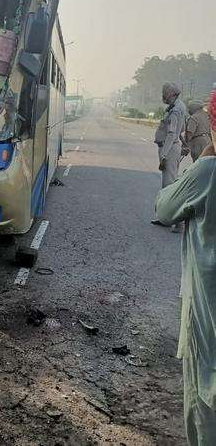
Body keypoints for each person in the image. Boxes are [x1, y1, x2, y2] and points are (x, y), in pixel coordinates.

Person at [155, 91, 216, 446]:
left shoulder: (208, 171)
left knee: (203, 398)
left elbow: (164, 208)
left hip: (207, 308)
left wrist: (205, 155)